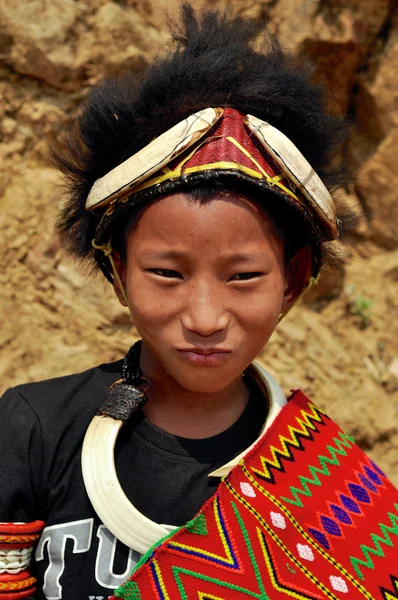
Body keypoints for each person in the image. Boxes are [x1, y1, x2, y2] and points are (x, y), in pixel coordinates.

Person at [1, 4, 397, 600]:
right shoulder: (32, 431)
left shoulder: (333, 495)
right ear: (117, 271)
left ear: (293, 279)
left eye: (242, 277)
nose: (205, 318)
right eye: (166, 272)